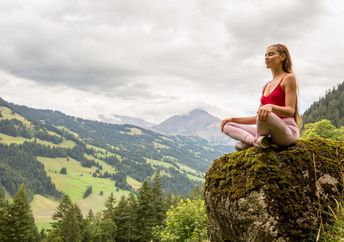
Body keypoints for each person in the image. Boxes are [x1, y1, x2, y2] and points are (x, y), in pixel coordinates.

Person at [220, 44, 302, 151]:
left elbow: (290, 111)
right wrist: (232, 119)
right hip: (269, 135)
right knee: (228, 125)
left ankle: (253, 142)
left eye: (271, 54)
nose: (267, 57)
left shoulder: (288, 78)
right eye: (265, 55)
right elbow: (258, 118)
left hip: (287, 132)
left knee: (265, 114)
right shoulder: (266, 86)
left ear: (282, 57)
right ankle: (256, 142)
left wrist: (271, 107)